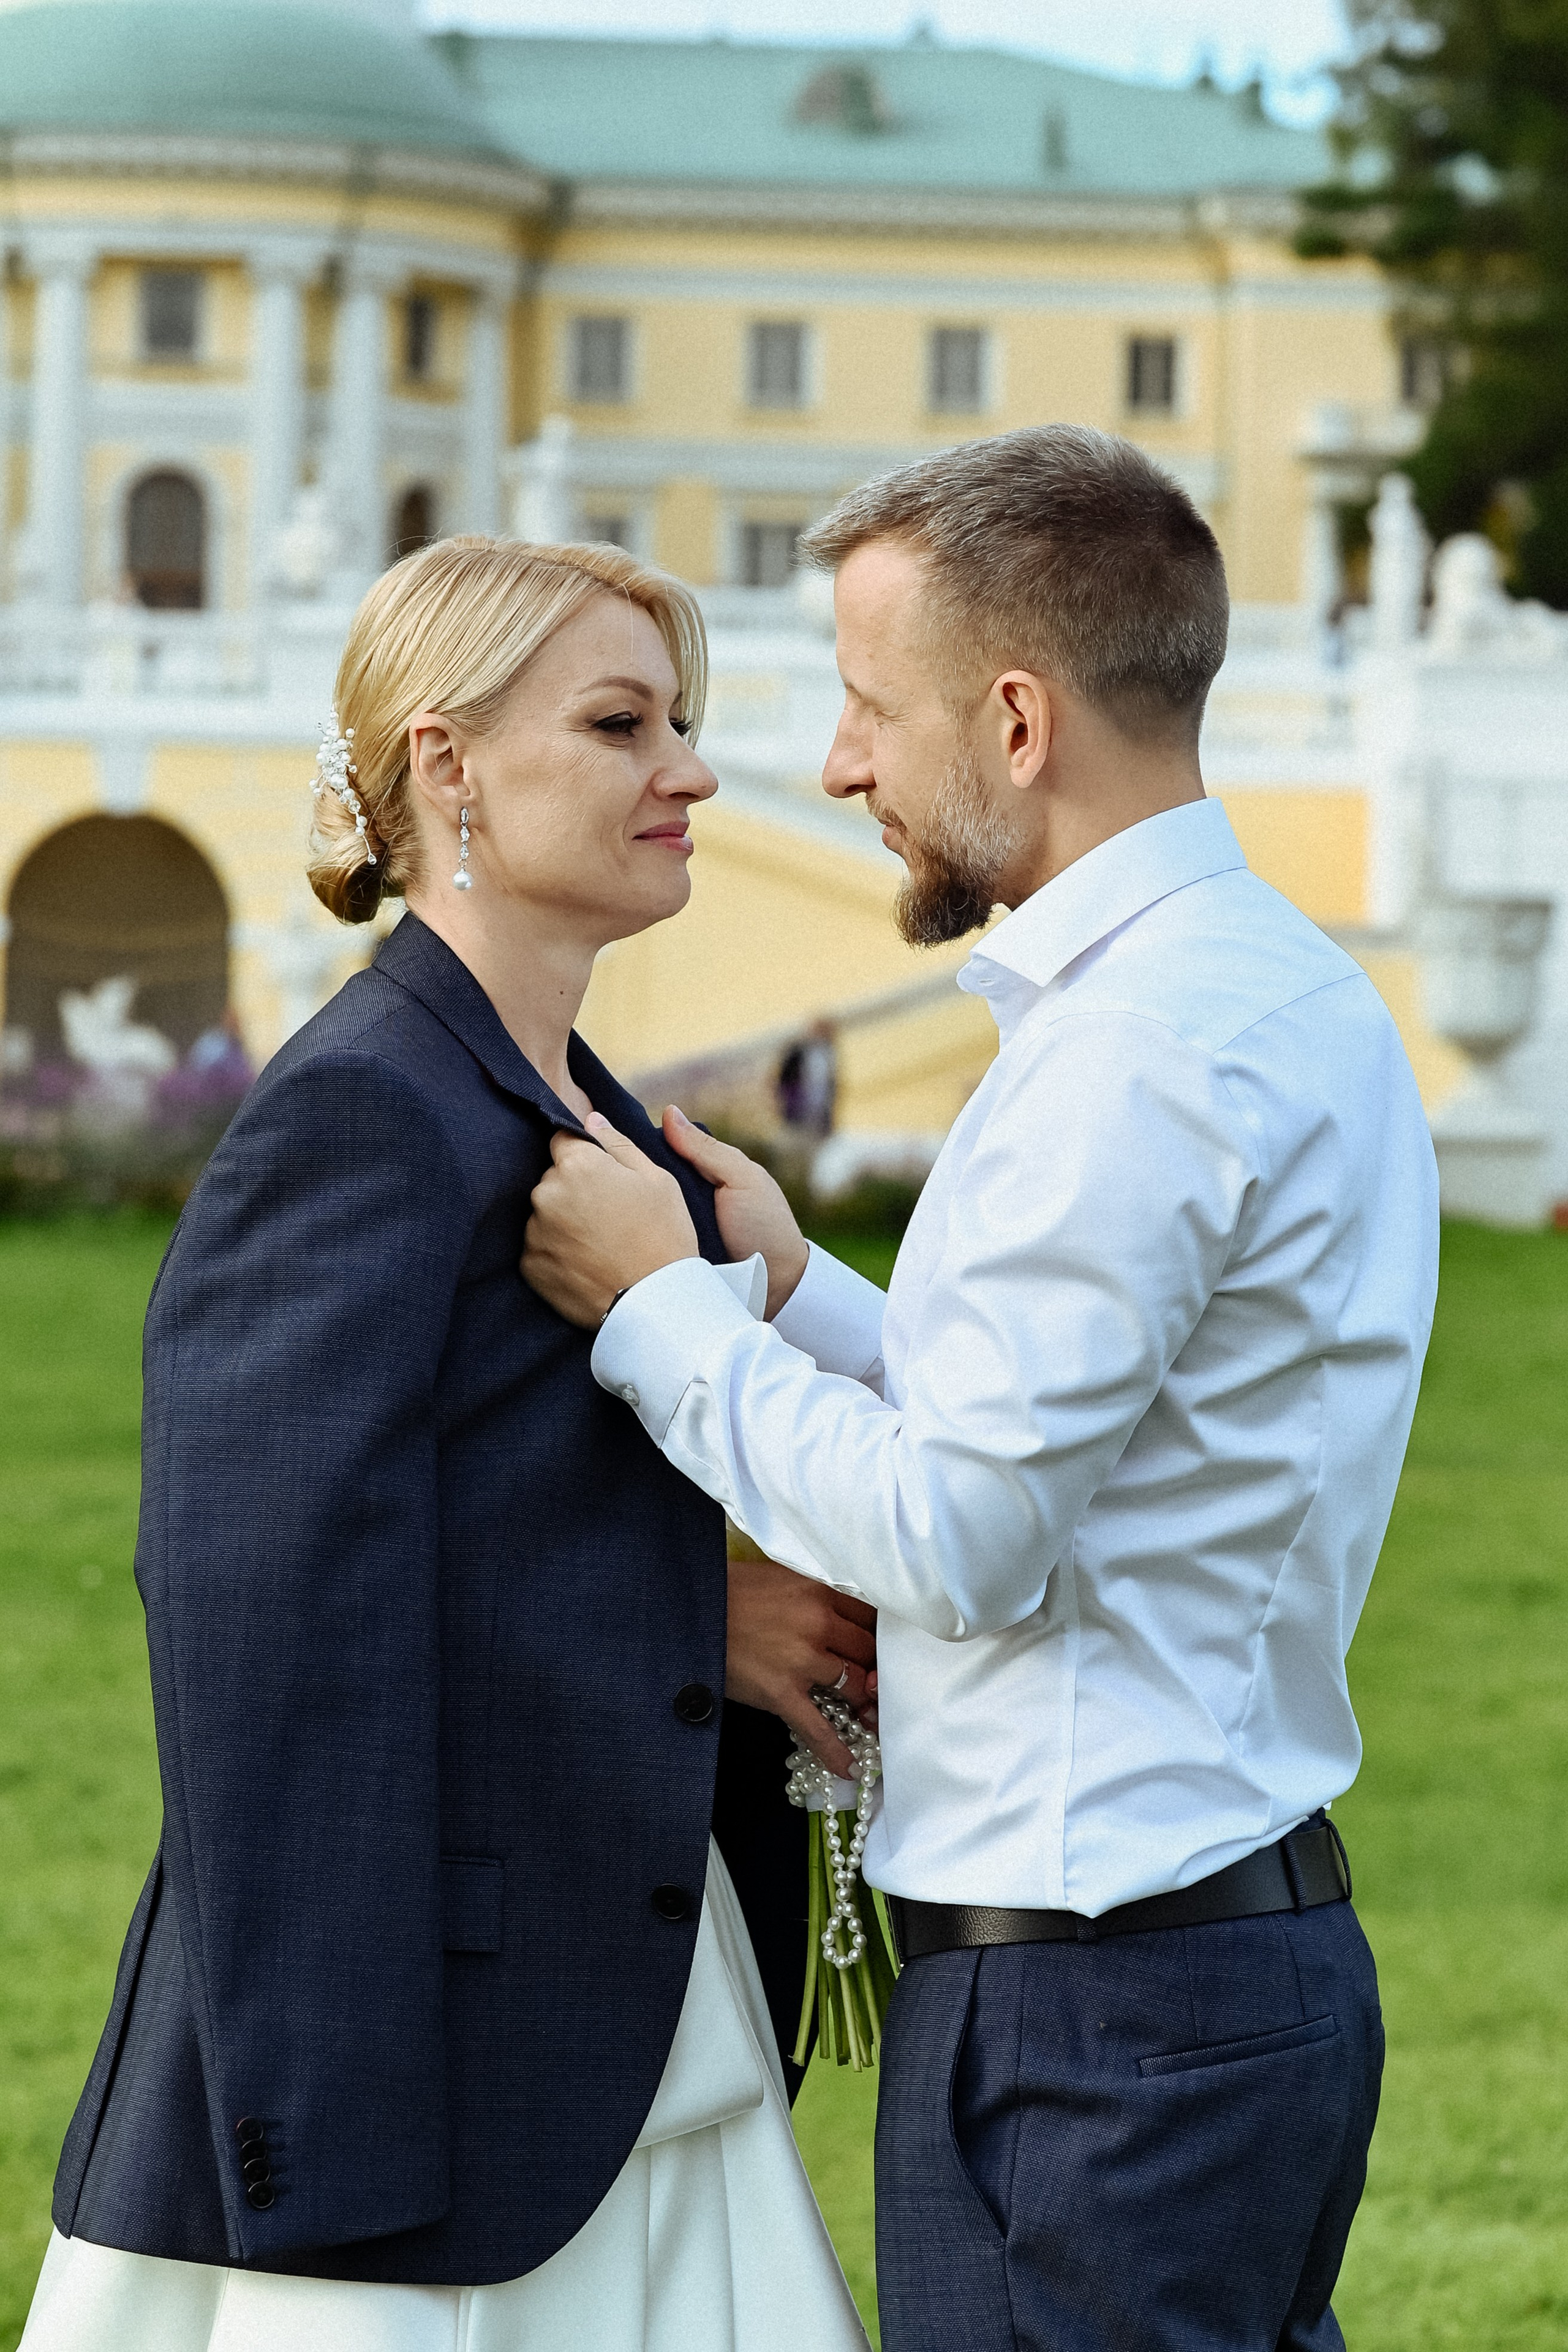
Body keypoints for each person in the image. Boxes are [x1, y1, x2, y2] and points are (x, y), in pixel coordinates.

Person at [521, 428, 1441, 2352]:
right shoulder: (1263, 987)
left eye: (868, 707)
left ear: (1015, 720)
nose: (841, 764)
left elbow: (967, 1531)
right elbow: (1097, 1419)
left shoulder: (1133, 1056)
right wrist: (791, 1288)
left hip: (1098, 2027)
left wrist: (665, 1315)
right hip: (1211, 1973)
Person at [21, 536, 872, 2352]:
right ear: (450, 762)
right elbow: (268, 1637)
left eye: (688, 723)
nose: (695, 770)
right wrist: (691, 1627)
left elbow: (524, 1505)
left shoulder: (587, 1119)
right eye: (626, 723)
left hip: (625, 1981)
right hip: (409, 2061)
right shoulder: (360, 1117)